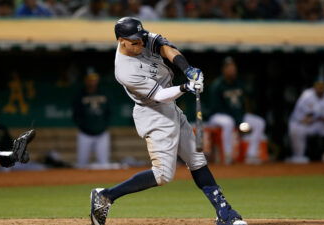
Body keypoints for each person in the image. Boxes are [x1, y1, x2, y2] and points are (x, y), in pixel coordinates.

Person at [89, 17, 247, 225]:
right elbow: (160, 95)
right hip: (154, 113)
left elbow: (166, 48)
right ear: (121, 41)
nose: (141, 44)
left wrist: (187, 70)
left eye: (141, 39)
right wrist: (185, 87)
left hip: (170, 107)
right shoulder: (125, 71)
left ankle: (224, 212)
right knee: (163, 174)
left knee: (197, 161)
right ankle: (106, 196)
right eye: (135, 42)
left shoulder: (142, 38)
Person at [209, 57, 266, 164]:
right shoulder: (217, 85)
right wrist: (238, 121)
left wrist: (241, 119)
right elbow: (217, 108)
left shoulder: (239, 83)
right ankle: (228, 156)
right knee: (228, 123)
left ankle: (251, 154)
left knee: (259, 123)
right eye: (229, 68)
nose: (232, 70)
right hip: (218, 116)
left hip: (237, 116)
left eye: (233, 68)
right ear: (224, 70)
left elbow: (245, 102)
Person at [72, 69, 111, 168]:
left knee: (104, 164)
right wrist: (82, 125)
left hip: (102, 133)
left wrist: (104, 125)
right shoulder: (80, 94)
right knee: (82, 164)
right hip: (85, 134)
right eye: (90, 79)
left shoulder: (104, 92)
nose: (92, 82)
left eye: (94, 79)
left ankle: (104, 183)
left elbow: (109, 112)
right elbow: (76, 114)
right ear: (85, 80)